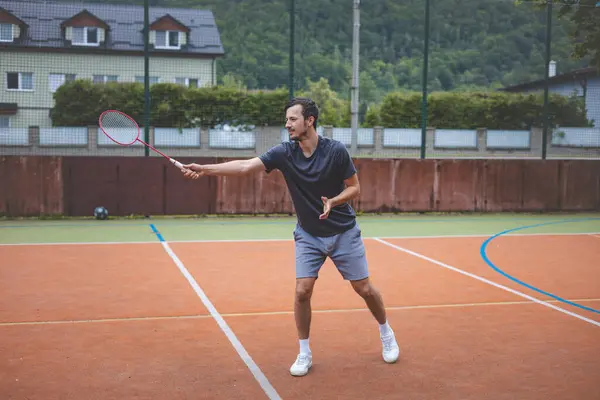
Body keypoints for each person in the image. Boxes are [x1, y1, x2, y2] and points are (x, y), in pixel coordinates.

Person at [181, 97, 400, 377]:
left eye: (292, 119)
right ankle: (304, 352)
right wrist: (204, 169)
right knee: (302, 291)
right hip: (309, 234)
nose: (287, 125)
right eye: (286, 120)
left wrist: (334, 201)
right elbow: (246, 166)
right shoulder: (284, 153)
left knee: (365, 289)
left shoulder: (335, 151)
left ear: (310, 120)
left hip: (344, 232)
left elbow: (355, 188)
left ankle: (386, 332)